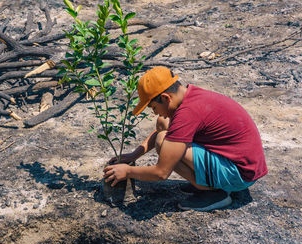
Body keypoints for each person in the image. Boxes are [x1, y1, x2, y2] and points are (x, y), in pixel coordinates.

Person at [103, 66, 268, 211]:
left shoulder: (188, 113)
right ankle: (207, 181)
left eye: (154, 107)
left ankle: (215, 193)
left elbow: (161, 172)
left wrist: (128, 171)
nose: (154, 112)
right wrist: (134, 155)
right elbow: (164, 126)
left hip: (239, 174)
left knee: (163, 141)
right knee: (163, 123)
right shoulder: (190, 96)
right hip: (241, 164)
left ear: (166, 98)